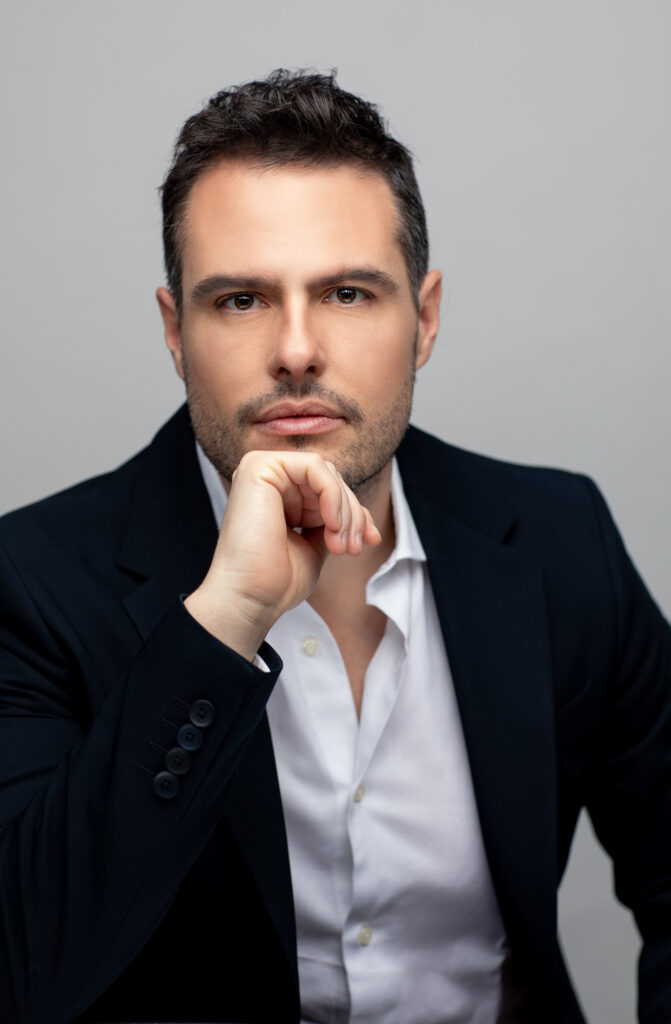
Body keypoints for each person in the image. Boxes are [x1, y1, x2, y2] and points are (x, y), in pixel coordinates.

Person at [0, 68, 669, 1024]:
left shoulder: (561, 539)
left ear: (423, 320)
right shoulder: (30, 581)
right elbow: (22, 973)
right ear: (175, 332)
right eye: (240, 300)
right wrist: (223, 622)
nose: (297, 350)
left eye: (348, 293)